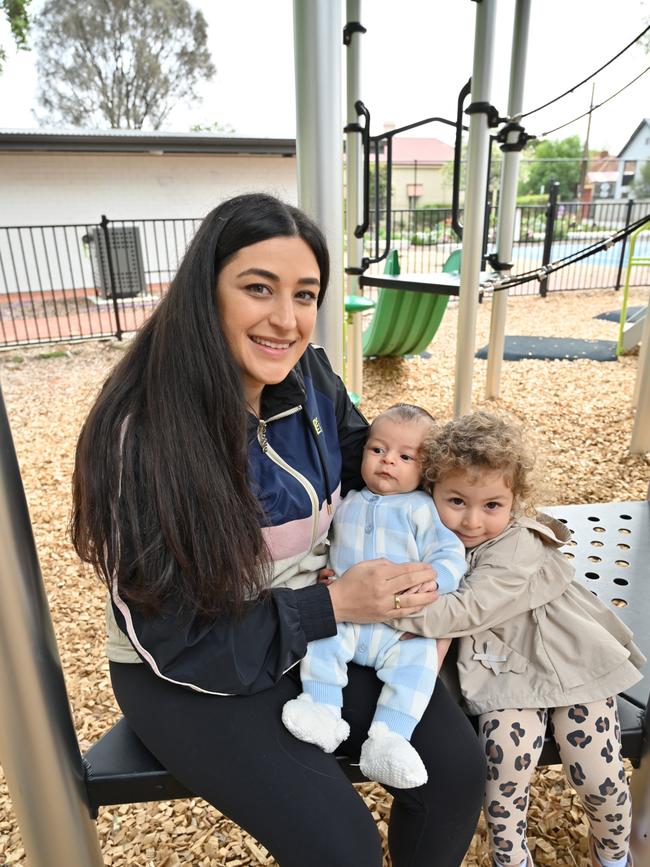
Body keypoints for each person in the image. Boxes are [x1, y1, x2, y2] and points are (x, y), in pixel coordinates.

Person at [71, 193, 485, 867]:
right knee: (341, 846)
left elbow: (375, 469)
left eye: (305, 293)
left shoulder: (310, 379)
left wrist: (473, 504)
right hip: (190, 667)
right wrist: (333, 602)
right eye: (258, 288)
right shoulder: (142, 436)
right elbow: (177, 639)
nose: (286, 319)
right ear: (205, 291)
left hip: (324, 623)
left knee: (456, 774)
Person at [392, 411, 644, 867]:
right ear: (430, 491)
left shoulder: (517, 545)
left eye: (492, 505)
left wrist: (383, 607)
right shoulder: (425, 535)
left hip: (566, 656)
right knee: (504, 763)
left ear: (515, 501)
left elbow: (467, 609)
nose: (471, 520)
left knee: (597, 767)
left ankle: (613, 852)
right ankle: (510, 858)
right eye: (456, 501)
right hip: (500, 667)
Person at [283, 403, 466, 789]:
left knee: (418, 666)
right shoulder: (346, 503)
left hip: (399, 626)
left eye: (405, 456)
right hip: (349, 616)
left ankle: (389, 738)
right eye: (377, 450)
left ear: (426, 468)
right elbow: (325, 545)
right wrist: (325, 573)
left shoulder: (422, 509)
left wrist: (434, 581)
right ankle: (322, 710)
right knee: (319, 644)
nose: (388, 462)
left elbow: (449, 554)